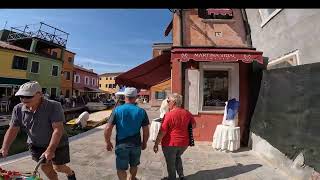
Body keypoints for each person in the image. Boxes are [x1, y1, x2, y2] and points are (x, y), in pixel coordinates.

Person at [0, 81, 76, 180]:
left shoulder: (54, 106)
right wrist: (5, 147)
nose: (24, 99)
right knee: (46, 169)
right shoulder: (17, 109)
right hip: (36, 144)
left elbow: (58, 129)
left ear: (40, 94)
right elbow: (13, 129)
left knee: (59, 167)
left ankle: (70, 173)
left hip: (58, 144)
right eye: (21, 96)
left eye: (28, 96)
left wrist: (50, 149)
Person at [104, 87, 150, 180]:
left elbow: (108, 128)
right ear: (135, 97)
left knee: (121, 168)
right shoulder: (141, 111)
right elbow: (146, 130)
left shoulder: (117, 110)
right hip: (136, 144)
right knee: (134, 165)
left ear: (125, 96)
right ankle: (132, 178)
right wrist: (144, 142)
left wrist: (108, 142)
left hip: (121, 144)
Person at [153, 93, 196, 180]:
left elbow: (162, 132)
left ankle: (171, 178)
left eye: (168, 101)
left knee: (170, 163)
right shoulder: (187, 113)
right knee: (177, 157)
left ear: (174, 102)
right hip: (184, 143)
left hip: (170, 144)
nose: (167, 102)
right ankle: (181, 176)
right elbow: (194, 125)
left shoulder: (169, 115)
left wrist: (156, 143)